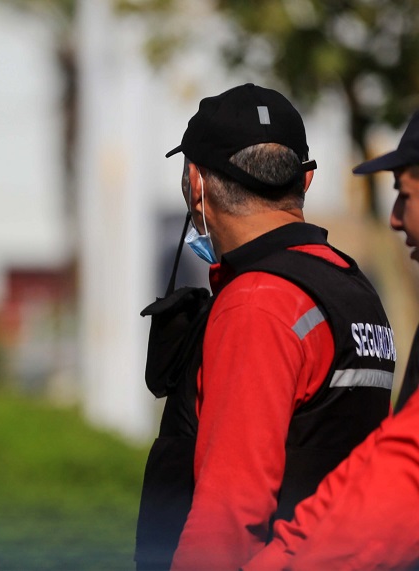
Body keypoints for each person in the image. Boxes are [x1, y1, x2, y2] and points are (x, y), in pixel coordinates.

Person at [133, 84, 396, 571]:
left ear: (195, 182)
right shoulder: (352, 288)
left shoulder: (258, 301)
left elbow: (229, 518)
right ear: (306, 180)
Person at [242, 110, 419, 570]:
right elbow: (374, 460)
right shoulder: (351, 286)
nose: (395, 219)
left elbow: (403, 478)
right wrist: (281, 556)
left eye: (405, 195)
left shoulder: (256, 299)